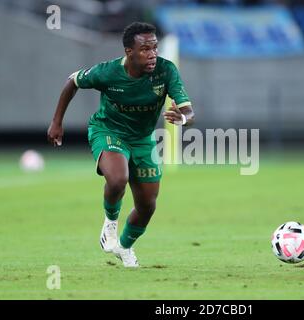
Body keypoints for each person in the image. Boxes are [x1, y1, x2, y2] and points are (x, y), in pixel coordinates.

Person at [47, 22, 195, 268]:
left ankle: (125, 247)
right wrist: (56, 122)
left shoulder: (166, 71)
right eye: (145, 49)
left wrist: (182, 118)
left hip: (143, 139)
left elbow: (189, 112)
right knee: (117, 179)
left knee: (147, 206)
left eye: (155, 48)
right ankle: (110, 224)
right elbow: (72, 81)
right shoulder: (107, 72)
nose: (152, 54)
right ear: (129, 51)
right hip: (108, 130)